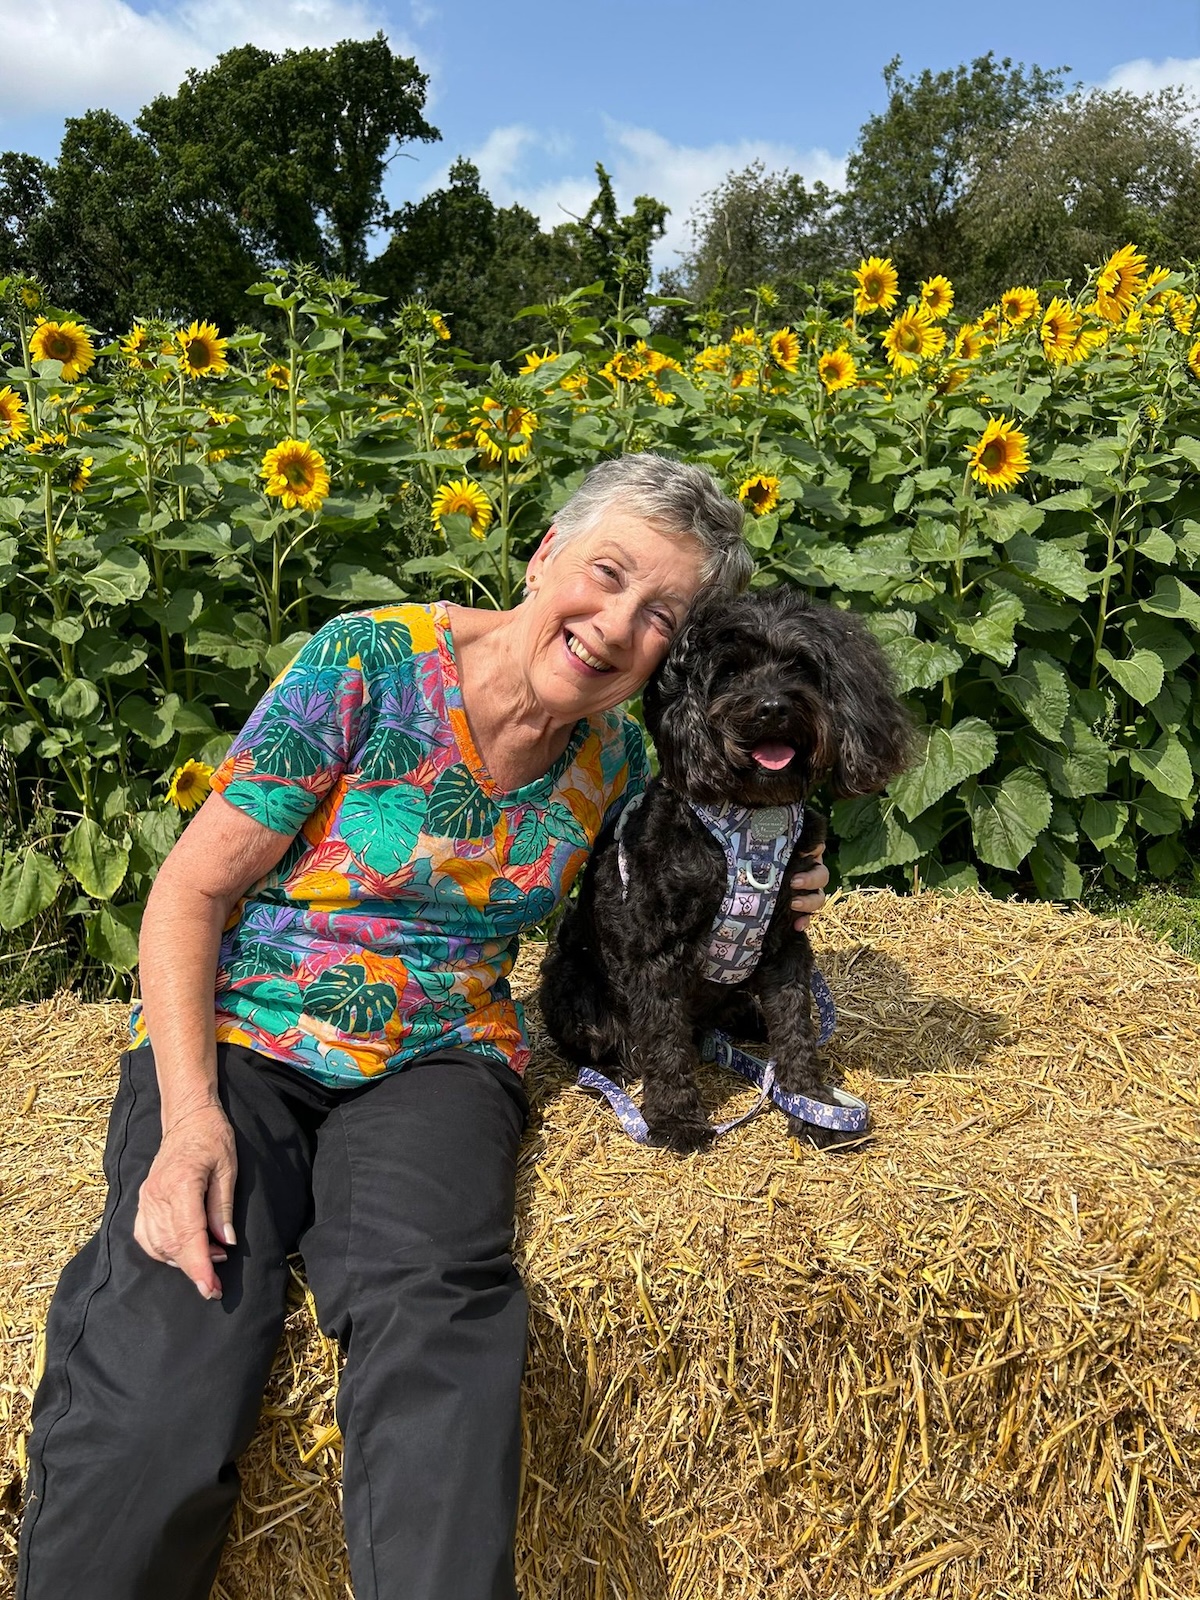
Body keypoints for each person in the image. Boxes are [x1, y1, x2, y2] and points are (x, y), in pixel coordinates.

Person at [17, 454, 829, 1600]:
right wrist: (189, 1120)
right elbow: (189, 893)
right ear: (546, 550)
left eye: (660, 617)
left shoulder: (621, 756)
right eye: (606, 575)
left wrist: (785, 876)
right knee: (170, 1360)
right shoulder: (368, 660)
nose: (614, 626)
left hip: (443, 1055)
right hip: (246, 1030)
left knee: (441, 1327)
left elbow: (688, 876)